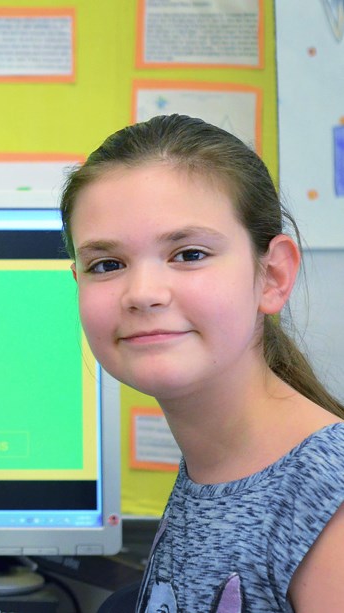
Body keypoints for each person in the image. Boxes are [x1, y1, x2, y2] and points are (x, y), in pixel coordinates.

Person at [60, 114, 344, 611]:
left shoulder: (327, 503)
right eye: (107, 265)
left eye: (189, 254)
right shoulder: (211, 470)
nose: (143, 293)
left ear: (273, 275)